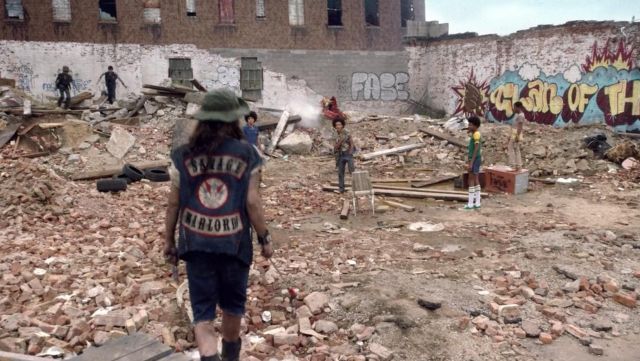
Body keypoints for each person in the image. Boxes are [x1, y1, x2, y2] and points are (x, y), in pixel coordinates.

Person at [164, 89, 273, 361]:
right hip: (234, 245)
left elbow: (173, 204)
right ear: (233, 119)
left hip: (196, 244)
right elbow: (252, 202)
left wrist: (169, 241)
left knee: (202, 315)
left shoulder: (182, 155)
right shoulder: (248, 154)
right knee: (233, 307)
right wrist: (264, 238)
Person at [464, 116, 482, 210]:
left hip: (474, 159)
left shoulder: (476, 135)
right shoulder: (476, 133)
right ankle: (477, 202)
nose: (468, 126)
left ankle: (470, 203)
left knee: (471, 180)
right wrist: (470, 130)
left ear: (475, 125)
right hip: (476, 159)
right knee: (476, 179)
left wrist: (471, 162)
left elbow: (476, 148)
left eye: (470, 125)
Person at [333, 117, 355, 193]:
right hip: (340, 155)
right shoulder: (335, 134)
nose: (338, 126)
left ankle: (355, 188)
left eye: (339, 124)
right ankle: (341, 189)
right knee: (340, 173)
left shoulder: (347, 132)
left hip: (348, 154)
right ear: (335, 126)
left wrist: (350, 152)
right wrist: (340, 141)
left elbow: (351, 143)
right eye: (336, 125)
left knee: (352, 171)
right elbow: (335, 147)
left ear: (342, 125)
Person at [507, 101, 525, 170]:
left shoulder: (520, 116)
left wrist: (517, 136)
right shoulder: (518, 115)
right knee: (516, 149)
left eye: (514, 107)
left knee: (511, 148)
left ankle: (513, 165)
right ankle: (518, 165)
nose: (513, 109)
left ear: (518, 107)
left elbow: (520, 127)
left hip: (516, 134)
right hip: (514, 134)